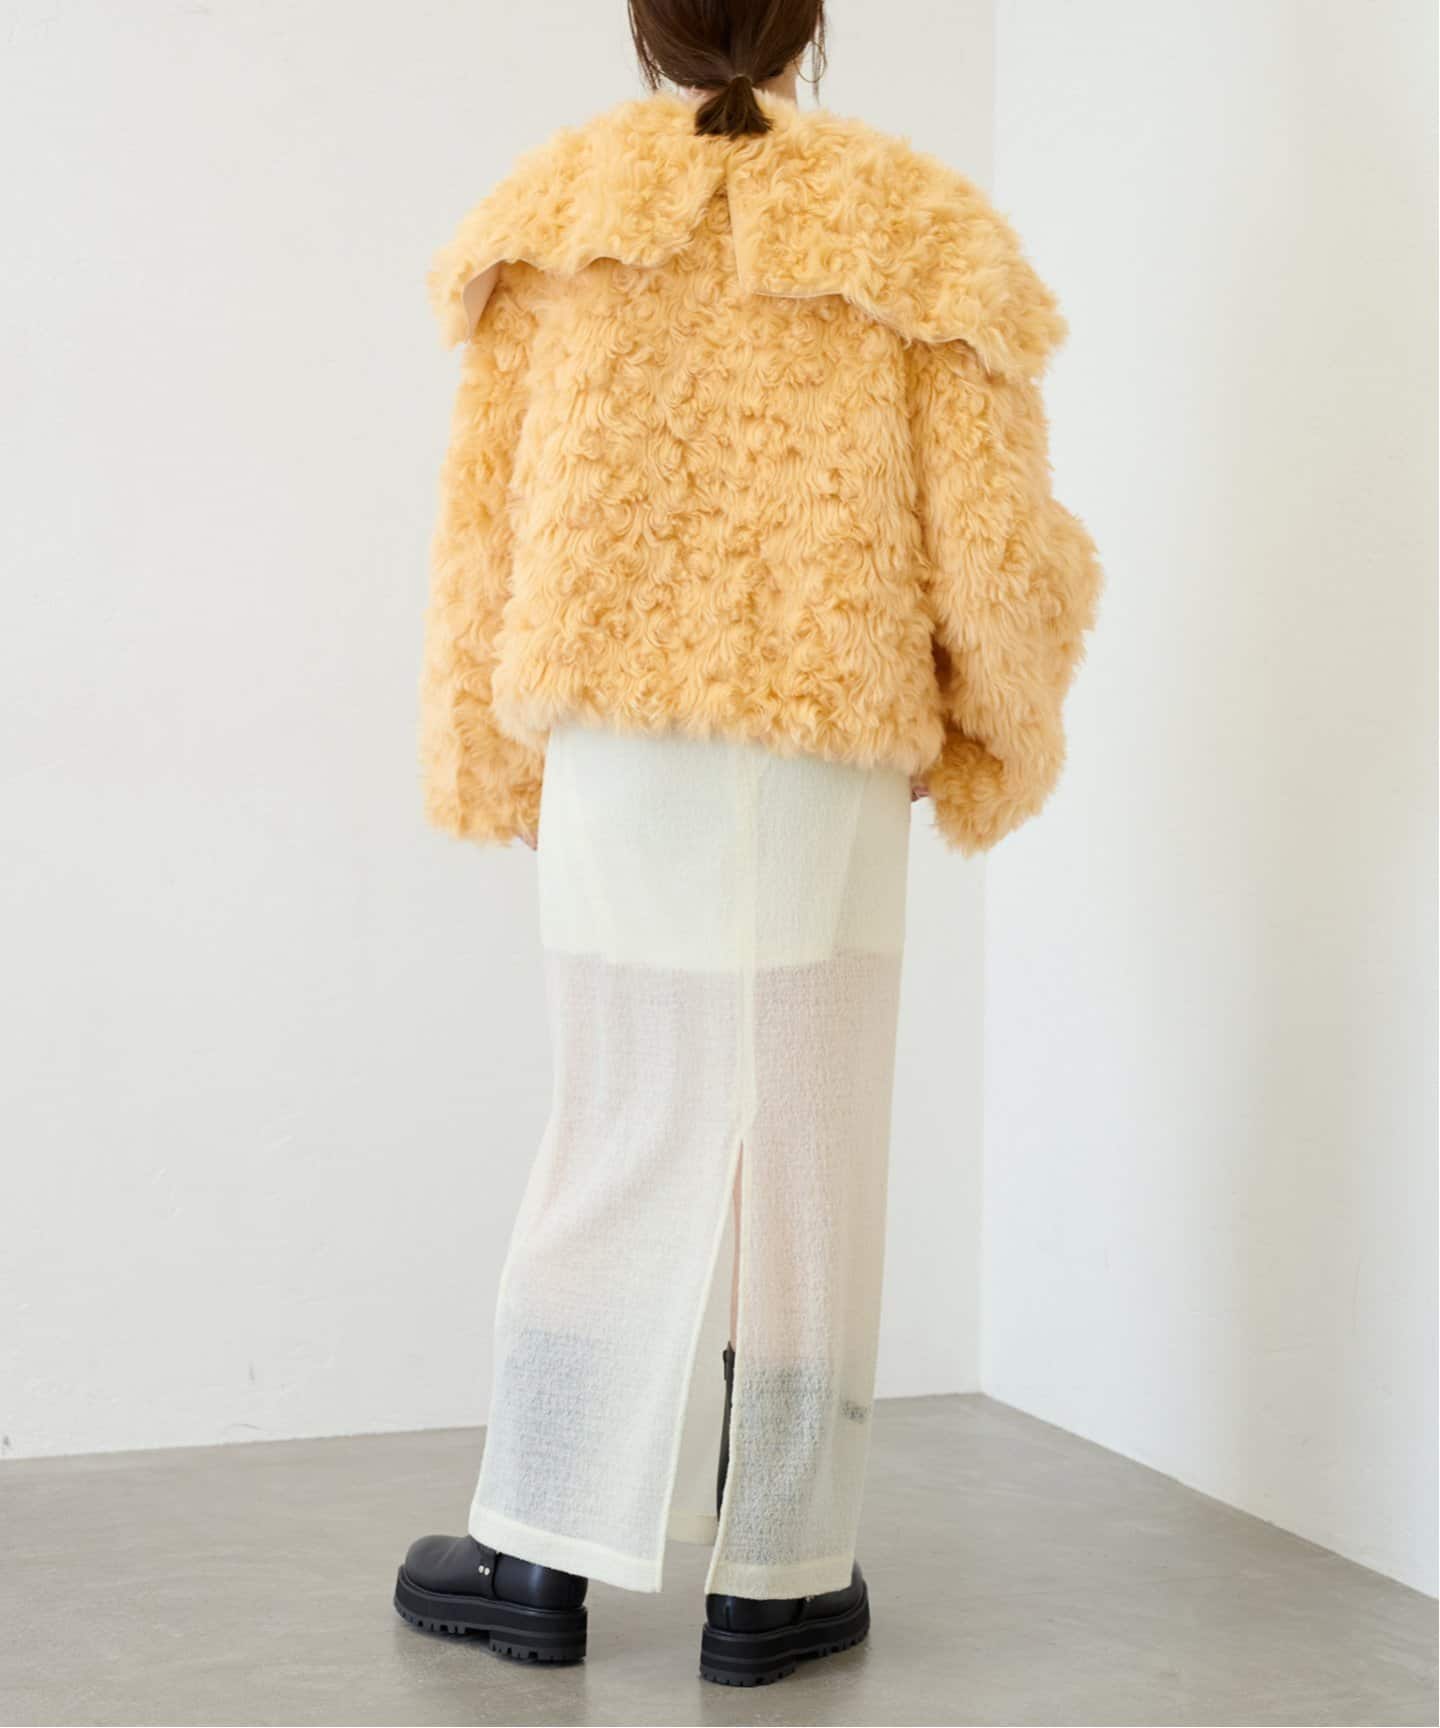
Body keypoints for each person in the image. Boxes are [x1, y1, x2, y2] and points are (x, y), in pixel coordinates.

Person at [392, 0, 1101, 1689]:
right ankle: (779, 1573)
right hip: (823, 734)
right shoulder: (922, 232)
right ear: (811, 26)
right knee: (809, 1139)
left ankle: (536, 1550)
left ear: (646, 29)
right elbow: (995, 542)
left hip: (614, 734)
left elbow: (482, 523)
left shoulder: (550, 216)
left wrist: (487, 751)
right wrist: (996, 724)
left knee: (617, 1119)